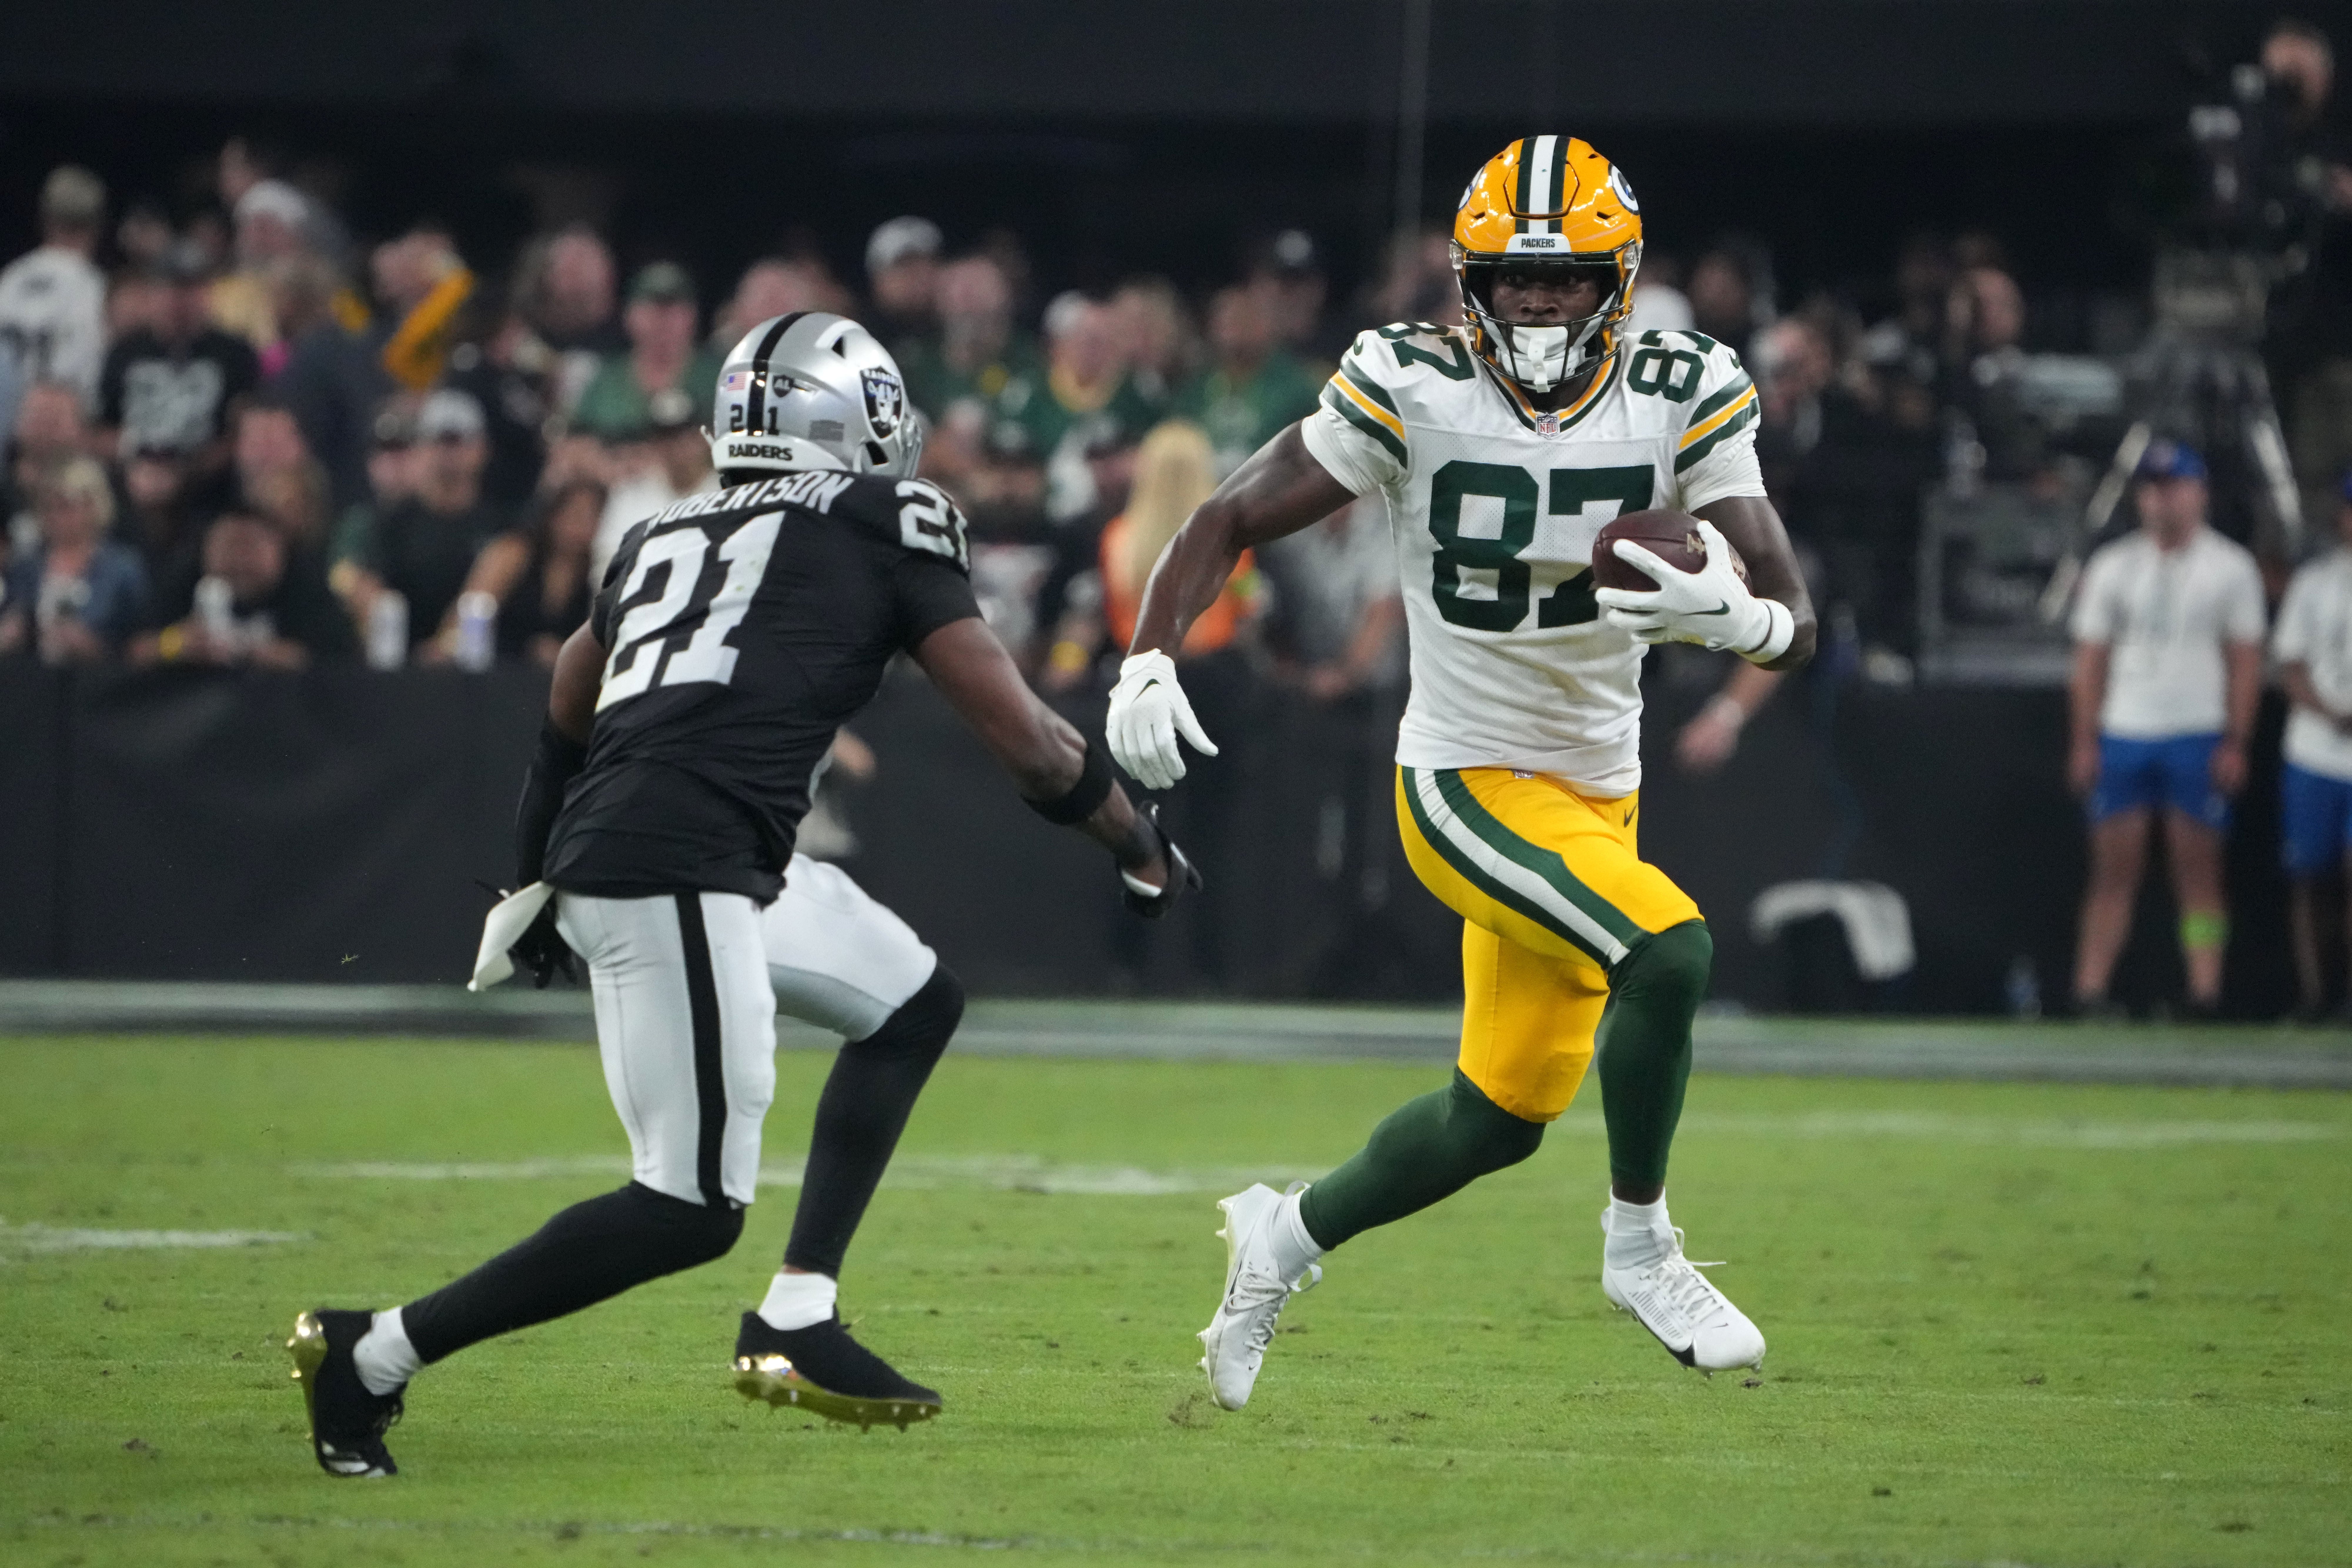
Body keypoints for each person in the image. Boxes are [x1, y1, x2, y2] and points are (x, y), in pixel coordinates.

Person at [285, 311, 1200, 1477]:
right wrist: (1136, 839)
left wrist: (531, 873)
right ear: (847, 422)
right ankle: (371, 1353)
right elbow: (1026, 740)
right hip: (681, 863)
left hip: (686, 853)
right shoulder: (884, 517)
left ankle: (799, 1312)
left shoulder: (660, 529)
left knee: (912, 1001)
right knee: (687, 1207)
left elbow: (566, 702)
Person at [1107, 136, 1813, 1409]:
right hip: (1464, 781)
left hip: (1595, 787)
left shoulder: (1682, 384)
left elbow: (1795, 615)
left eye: (1565, 278)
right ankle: (1642, 1249)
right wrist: (1147, 657)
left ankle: (1280, 1237)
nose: (1537, 304)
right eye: (1514, 278)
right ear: (1469, 281)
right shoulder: (1411, 379)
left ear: (1616, 281)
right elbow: (1225, 515)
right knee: (1669, 948)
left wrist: (1741, 618)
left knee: (1496, 1117)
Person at [2067, 440, 2265, 1019]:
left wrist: (2236, 740)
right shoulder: (2113, 566)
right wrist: (2085, 739)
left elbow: (2245, 662)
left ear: (2198, 492)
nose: (2161, 500)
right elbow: (2090, 661)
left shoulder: (2230, 568)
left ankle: (2204, 990)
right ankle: (2090, 989)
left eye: (2172, 487)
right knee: (2111, 872)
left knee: (2198, 872)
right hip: (2126, 728)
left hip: (2195, 730)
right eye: (2151, 489)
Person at [2268, 468, 2352, 1019]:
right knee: (2310, 877)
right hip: (2315, 752)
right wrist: (2332, 713)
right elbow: (2290, 664)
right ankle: (2316, 994)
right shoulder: (2316, 582)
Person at [332, 389, 506, 653]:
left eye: (457, 441)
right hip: (401, 662)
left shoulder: (498, 527)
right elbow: (356, 579)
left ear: (483, 448)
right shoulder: (389, 523)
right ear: (420, 448)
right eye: (438, 441)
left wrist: (447, 646)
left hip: (479, 666)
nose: (448, 453)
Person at [97, 242, 261, 497]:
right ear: (153, 293)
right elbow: (100, 428)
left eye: (192, 289)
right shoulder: (126, 352)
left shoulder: (235, 353)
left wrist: (190, 470)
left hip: (212, 489)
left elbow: (245, 431)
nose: (182, 301)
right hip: (132, 482)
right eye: (173, 289)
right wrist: (140, 459)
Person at [132, 508, 356, 671]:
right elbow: (135, 650)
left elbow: (341, 661)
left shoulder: (306, 589)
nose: (239, 560)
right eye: (229, 546)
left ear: (279, 550)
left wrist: (269, 655)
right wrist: (177, 644)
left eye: (250, 546)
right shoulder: (185, 580)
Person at [437, 478, 604, 667]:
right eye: (576, 516)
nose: (584, 527)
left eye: (593, 517)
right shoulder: (515, 553)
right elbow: (471, 612)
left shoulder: (592, 572)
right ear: (553, 515)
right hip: (494, 668)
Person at [0, 456, 148, 663]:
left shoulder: (123, 568)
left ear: (94, 506)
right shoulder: (26, 567)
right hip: (32, 676)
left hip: (101, 678)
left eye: (66, 506)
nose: (56, 516)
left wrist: (91, 646)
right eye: (48, 506)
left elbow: (137, 640)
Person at [0, 166, 108, 434]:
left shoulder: (11, 280)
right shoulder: (94, 287)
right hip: (65, 431)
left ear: (46, 219)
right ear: (97, 225)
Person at [1176, 285, 1323, 480]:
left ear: (1266, 326)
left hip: (1270, 487)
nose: (1232, 329)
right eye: (1225, 321)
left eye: (1242, 319)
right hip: (1204, 487)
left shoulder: (1295, 387)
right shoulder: (1198, 386)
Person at [570, 263, 724, 444]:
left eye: (673, 311)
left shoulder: (719, 378)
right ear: (629, 315)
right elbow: (574, 443)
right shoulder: (606, 382)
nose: (662, 321)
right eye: (651, 310)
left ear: (693, 315)